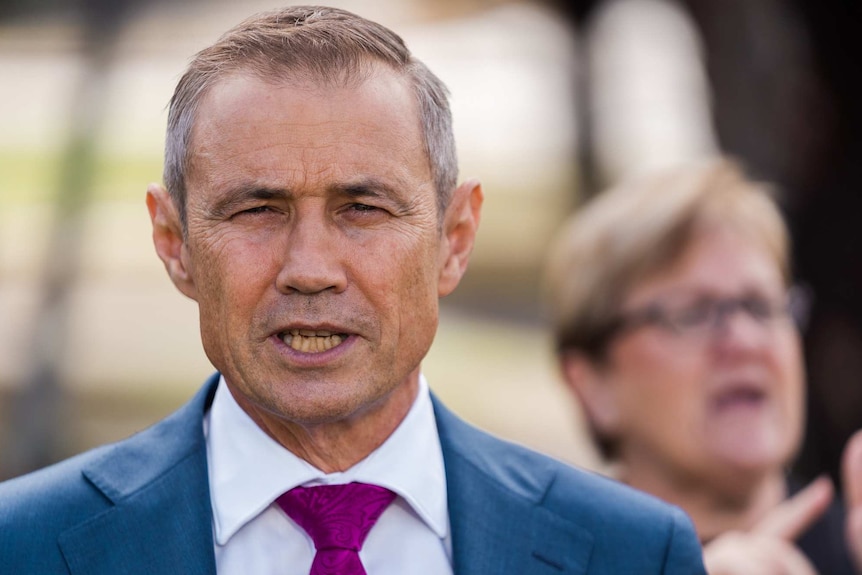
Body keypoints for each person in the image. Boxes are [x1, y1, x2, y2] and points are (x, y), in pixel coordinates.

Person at [0, 5, 706, 574]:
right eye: (258, 210)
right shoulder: (23, 548)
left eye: (362, 209)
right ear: (175, 244)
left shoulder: (633, 553)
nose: (311, 268)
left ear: (454, 239)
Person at [544, 157, 859, 574]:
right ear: (591, 385)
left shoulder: (853, 547)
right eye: (692, 313)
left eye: (761, 306)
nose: (745, 342)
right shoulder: (533, 555)